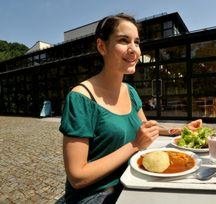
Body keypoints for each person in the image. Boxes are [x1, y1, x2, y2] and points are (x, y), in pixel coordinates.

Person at [59, 13, 202, 204]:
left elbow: (146, 128)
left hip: (131, 181)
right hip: (96, 196)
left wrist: (180, 131)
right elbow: (77, 176)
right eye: (124, 40)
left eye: (136, 41)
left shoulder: (130, 91)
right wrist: (134, 145)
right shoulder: (81, 98)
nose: (134, 49)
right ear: (102, 46)